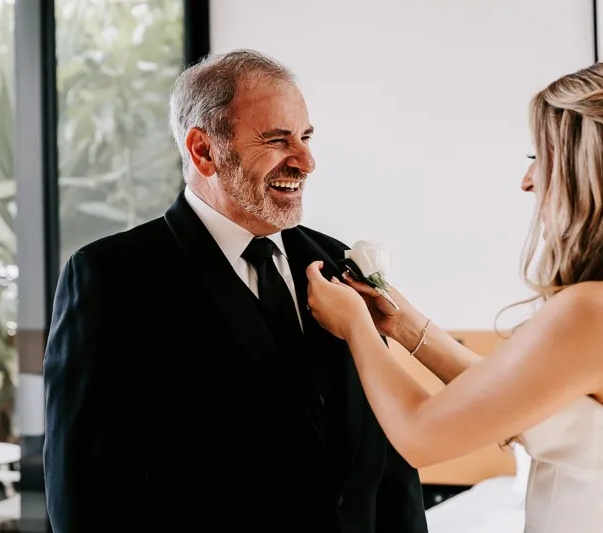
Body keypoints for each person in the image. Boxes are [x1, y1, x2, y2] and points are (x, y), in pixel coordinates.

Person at [306, 58, 603, 533]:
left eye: (541, 157)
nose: (528, 181)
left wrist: (354, 326)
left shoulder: (598, 310)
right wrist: (405, 325)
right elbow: (513, 397)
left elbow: (419, 433)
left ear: (592, 168)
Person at [42, 49, 427, 533]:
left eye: (306, 137)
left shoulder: (338, 263)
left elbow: (388, 461)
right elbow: (85, 494)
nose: (306, 161)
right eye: (277, 140)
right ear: (204, 150)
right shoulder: (111, 278)